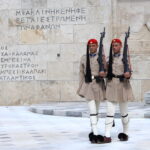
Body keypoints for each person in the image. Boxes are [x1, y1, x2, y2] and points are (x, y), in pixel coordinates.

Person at [103, 38, 135, 143]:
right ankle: (107, 135)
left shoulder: (125, 58)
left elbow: (130, 72)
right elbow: (105, 71)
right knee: (109, 112)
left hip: (122, 86)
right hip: (111, 85)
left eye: (116, 45)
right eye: (113, 45)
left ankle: (125, 133)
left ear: (121, 46)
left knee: (124, 112)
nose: (114, 47)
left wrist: (128, 74)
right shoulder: (108, 59)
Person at [77, 39, 106, 144]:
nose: (91, 47)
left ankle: (92, 131)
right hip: (88, 84)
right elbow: (81, 73)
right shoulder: (84, 58)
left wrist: (104, 74)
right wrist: (80, 87)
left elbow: (107, 71)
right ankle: (96, 134)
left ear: (97, 46)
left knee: (96, 111)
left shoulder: (102, 58)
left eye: (93, 45)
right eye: (90, 46)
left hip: (98, 84)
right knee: (92, 111)